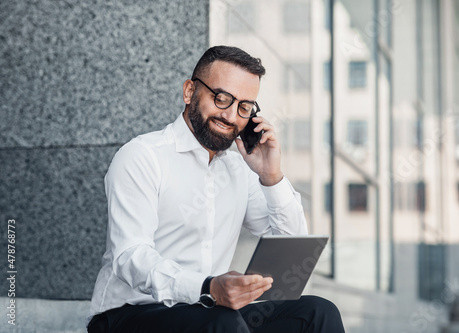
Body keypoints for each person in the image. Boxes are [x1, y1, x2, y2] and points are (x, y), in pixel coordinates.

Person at [87, 45, 345, 333]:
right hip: (130, 315)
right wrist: (206, 287)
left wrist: (271, 176)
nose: (231, 116)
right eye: (222, 98)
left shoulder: (239, 170)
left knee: (318, 312)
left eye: (244, 107)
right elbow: (130, 256)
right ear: (189, 92)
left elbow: (292, 254)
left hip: (210, 314)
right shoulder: (142, 156)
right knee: (221, 321)